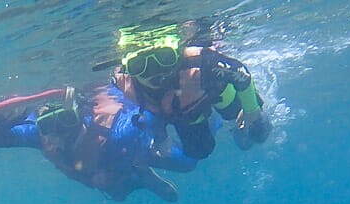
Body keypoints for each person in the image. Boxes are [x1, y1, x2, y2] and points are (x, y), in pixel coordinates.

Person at [0, 86, 206, 203]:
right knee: (116, 193)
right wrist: (15, 115)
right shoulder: (38, 135)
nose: (59, 133)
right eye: (47, 125)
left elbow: (153, 115)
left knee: (188, 163)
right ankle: (142, 178)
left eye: (65, 121)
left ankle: (144, 171)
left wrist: (160, 137)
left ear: (79, 116)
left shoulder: (116, 131)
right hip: (106, 176)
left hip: (140, 151)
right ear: (39, 125)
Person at [106, 24, 272, 160]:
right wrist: (160, 136)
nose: (154, 72)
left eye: (164, 58)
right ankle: (214, 121)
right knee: (199, 151)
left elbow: (241, 74)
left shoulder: (201, 63)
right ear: (128, 70)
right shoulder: (124, 82)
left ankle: (245, 119)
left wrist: (251, 110)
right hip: (189, 111)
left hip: (216, 92)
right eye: (139, 66)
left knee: (258, 132)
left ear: (178, 55)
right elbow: (152, 111)